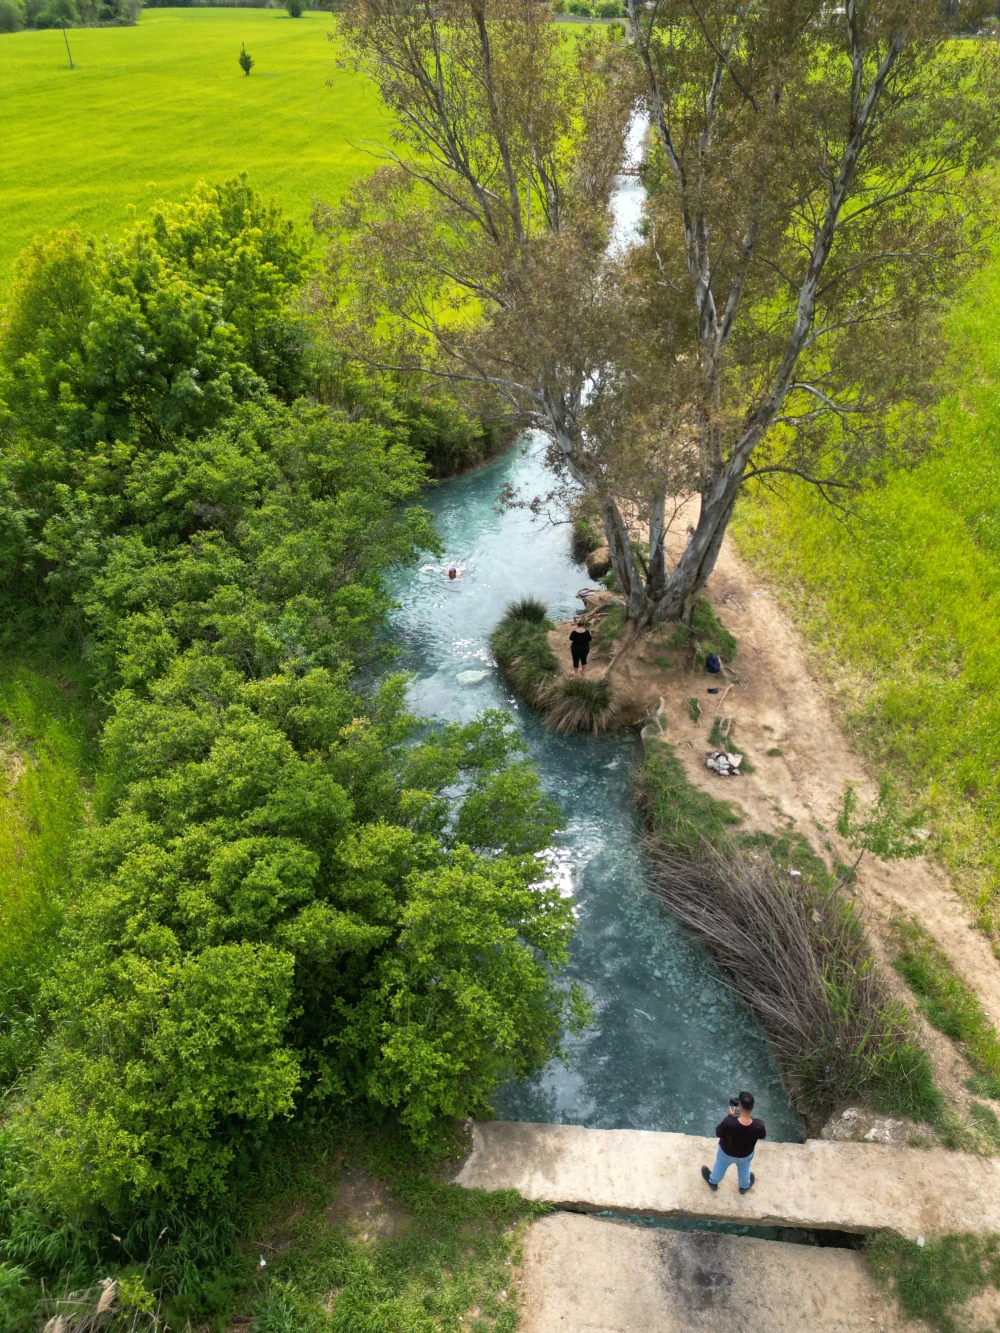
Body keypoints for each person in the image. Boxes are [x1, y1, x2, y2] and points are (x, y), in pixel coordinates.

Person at [701, 1091, 766, 1195]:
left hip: (726, 1153)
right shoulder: (759, 1125)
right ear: (753, 1107)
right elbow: (762, 1136)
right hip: (745, 1155)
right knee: (744, 1170)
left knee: (720, 1167)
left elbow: (718, 1133)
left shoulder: (729, 1122)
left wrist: (730, 1116)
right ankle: (744, 1187)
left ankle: (713, 1183)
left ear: (739, 1105)